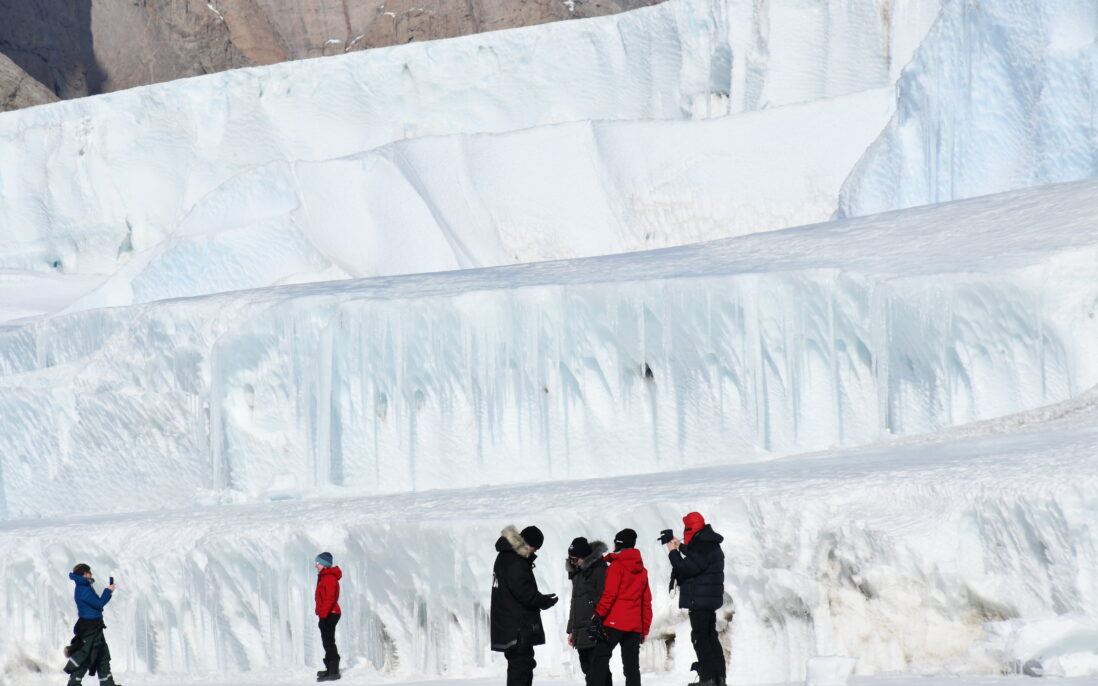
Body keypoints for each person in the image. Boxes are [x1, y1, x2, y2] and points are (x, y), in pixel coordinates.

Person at [491, 525, 558, 686]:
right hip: (517, 628)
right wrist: (544, 601)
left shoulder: (504, 556)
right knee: (521, 668)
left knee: (521, 666)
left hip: (509, 624)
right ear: (529, 544)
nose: (535, 552)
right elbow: (524, 592)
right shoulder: (515, 560)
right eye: (535, 547)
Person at [666, 512, 726, 686]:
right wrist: (681, 546)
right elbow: (697, 556)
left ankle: (708, 679)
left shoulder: (703, 546)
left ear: (690, 528)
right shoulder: (709, 543)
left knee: (700, 638)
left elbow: (685, 568)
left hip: (700, 600)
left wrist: (673, 553)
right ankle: (718, 678)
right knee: (710, 637)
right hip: (708, 600)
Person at [586, 529, 652, 686]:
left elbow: (610, 594)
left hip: (614, 622)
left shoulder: (616, 567)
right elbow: (646, 601)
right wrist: (644, 627)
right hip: (634, 625)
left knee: (600, 659)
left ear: (619, 544)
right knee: (632, 667)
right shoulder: (642, 570)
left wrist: (598, 615)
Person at [64, 563, 121, 686]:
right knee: (86, 655)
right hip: (90, 627)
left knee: (102, 655)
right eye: (89, 572)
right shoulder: (83, 589)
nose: (91, 574)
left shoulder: (84, 586)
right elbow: (99, 604)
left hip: (95, 626)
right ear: (84, 574)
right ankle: (73, 683)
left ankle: (108, 684)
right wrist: (108, 591)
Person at [566, 537, 610, 686]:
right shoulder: (578, 573)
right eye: (570, 559)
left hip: (594, 629)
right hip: (580, 631)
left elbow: (604, 599)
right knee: (588, 670)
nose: (572, 562)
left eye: (575, 559)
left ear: (585, 557)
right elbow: (575, 602)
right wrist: (571, 629)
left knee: (598, 671)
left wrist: (599, 624)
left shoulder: (599, 570)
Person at [315, 552, 343, 682]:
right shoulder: (324, 577)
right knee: (327, 641)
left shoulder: (329, 578)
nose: (316, 565)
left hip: (331, 613)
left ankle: (334, 671)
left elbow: (330, 599)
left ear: (325, 564)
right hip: (327, 613)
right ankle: (330, 669)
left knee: (329, 641)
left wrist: (324, 616)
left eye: (318, 563)